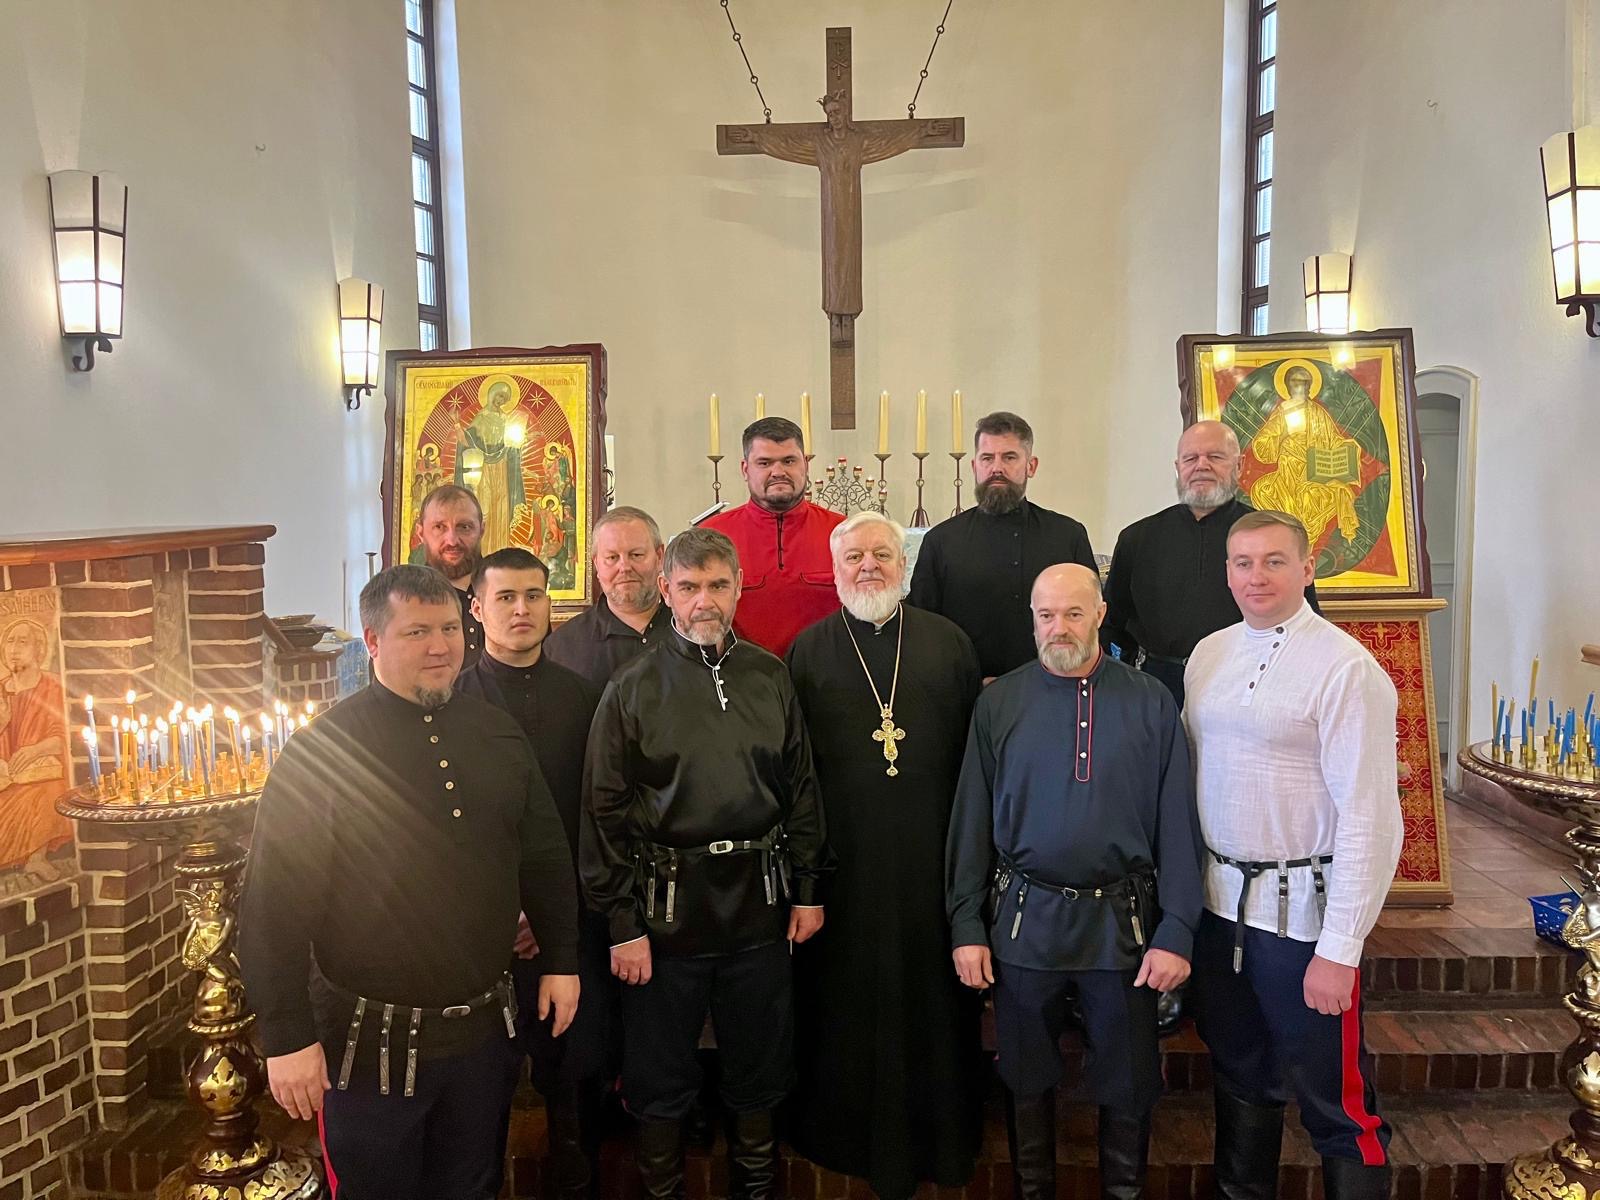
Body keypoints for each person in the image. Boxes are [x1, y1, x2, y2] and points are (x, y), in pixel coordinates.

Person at [238, 564, 580, 1200]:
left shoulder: (497, 733)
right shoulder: (321, 753)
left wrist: (561, 959)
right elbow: (271, 911)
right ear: (372, 641)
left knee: (473, 1188)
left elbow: (544, 857)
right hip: (368, 1047)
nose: (440, 646)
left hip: (483, 1038)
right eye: (417, 632)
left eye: (449, 628)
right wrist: (287, 1038)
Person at [580, 527, 831, 1200]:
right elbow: (602, 814)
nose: (704, 602)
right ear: (666, 591)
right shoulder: (632, 687)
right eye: (689, 587)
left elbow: (801, 788)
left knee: (759, 1074)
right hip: (665, 919)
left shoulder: (769, 676)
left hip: (759, 910)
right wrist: (622, 923)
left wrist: (809, 887)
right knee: (659, 1081)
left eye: (718, 585)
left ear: (738, 587)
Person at [946, 563, 1202, 1200]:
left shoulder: (1151, 701)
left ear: (1101, 614)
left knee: (1129, 1079)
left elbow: (1177, 824)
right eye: (1046, 615)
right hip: (1023, 922)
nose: (1058, 627)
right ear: (1032, 620)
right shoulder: (998, 703)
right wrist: (966, 923)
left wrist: (1177, 929)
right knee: (1025, 1076)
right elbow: (971, 821)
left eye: (1073, 613)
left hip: (1124, 927)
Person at [1184, 510, 1401, 1200]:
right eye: (1243, 562)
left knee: (1337, 1104)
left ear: (1307, 569)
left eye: (1274, 561)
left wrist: (1340, 948)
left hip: (1302, 923)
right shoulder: (1208, 654)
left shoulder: (1346, 668)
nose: (1257, 576)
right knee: (1241, 1076)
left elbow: (1371, 818)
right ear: (1227, 573)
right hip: (1220, 913)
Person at [785, 511, 985, 1199]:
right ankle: (841, 1135)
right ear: (834, 569)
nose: (868, 566)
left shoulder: (949, 643)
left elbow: (973, 761)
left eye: (881, 554)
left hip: (934, 864)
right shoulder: (807, 652)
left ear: (904, 565)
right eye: (853, 557)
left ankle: (942, 1137)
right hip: (843, 871)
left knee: (935, 1002)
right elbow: (795, 773)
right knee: (844, 1001)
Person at [455, 547, 608, 1200]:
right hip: (481, 929)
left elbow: (595, 813)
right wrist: (510, 909)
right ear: (477, 608)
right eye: (506, 597)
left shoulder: (584, 698)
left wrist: (552, 912)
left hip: (570, 919)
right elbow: (452, 829)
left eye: (534, 595)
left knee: (575, 1073)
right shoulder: (453, 701)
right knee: (483, 1084)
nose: (522, 609)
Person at [1102, 420, 1319, 708]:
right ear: (1178, 468)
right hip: (1158, 686)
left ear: (1239, 466)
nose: (1201, 466)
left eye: (1215, 457)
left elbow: (1305, 619)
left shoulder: (1273, 538)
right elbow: (1111, 622)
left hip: (1249, 680)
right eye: (1190, 458)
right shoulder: (1137, 538)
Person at [909, 411, 1097, 680]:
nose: (996, 468)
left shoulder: (1068, 536)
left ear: (1031, 466)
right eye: (987, 458)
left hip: (1054, 687)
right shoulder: (941, 541)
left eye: (1009, 457)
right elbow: (922, 628)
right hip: (966, 690)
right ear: (974, 466)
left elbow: (1090, 620)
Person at [704, 417, 844, 657]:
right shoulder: (711, 537)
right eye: (764, 462)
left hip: (827, 670)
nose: (778, 472)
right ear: (745, 469)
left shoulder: (843, 532)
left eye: (789, 461)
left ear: (806, 464)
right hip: (741, 673)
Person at [544, 506, 673, 688]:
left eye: (636, 555)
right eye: (612, 557)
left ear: (659, 557)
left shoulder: (692, 629)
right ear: (597, 564)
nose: (625, 567)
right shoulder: (563, 647)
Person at [411, 483, 487, 667]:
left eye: (464, 527)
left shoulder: (508, 592)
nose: (452, 540)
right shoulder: (404, 600)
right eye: (439, 527)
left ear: (481, 530)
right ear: (421, 533)